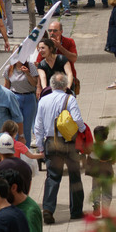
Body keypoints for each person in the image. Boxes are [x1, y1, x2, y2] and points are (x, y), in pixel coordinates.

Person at [32, 72, 85, 224]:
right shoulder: (70, 99)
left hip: (51, 142)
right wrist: (82, 130)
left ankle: (48, 209)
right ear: (65, 85)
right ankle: (76, 211)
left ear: (51, 85)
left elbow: (38, 125)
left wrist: (41, 146)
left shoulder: (43, 100)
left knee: (52, 177)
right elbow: (78, 120)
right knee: (75, 176)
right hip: (68, 142)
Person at [3, 58, 39, 146]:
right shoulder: (9, 68)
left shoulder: (30, 66)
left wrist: (27, 73)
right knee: (15, 127)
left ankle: (25, 151)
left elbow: (35, 83)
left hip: (29, 98)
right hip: (15, 98)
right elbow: (7, 86)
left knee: (26, 127)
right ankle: (15, 151)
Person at [86, 125, 115, 217]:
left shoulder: (92, 148)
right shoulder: (109, 148)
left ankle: (96, 204)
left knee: (95, 189)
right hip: (107, 173)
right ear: (106, 137)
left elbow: (89, 159)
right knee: (107, 193)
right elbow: (113, 161)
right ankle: (105, 211)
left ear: (94, 136)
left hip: (96, 174)